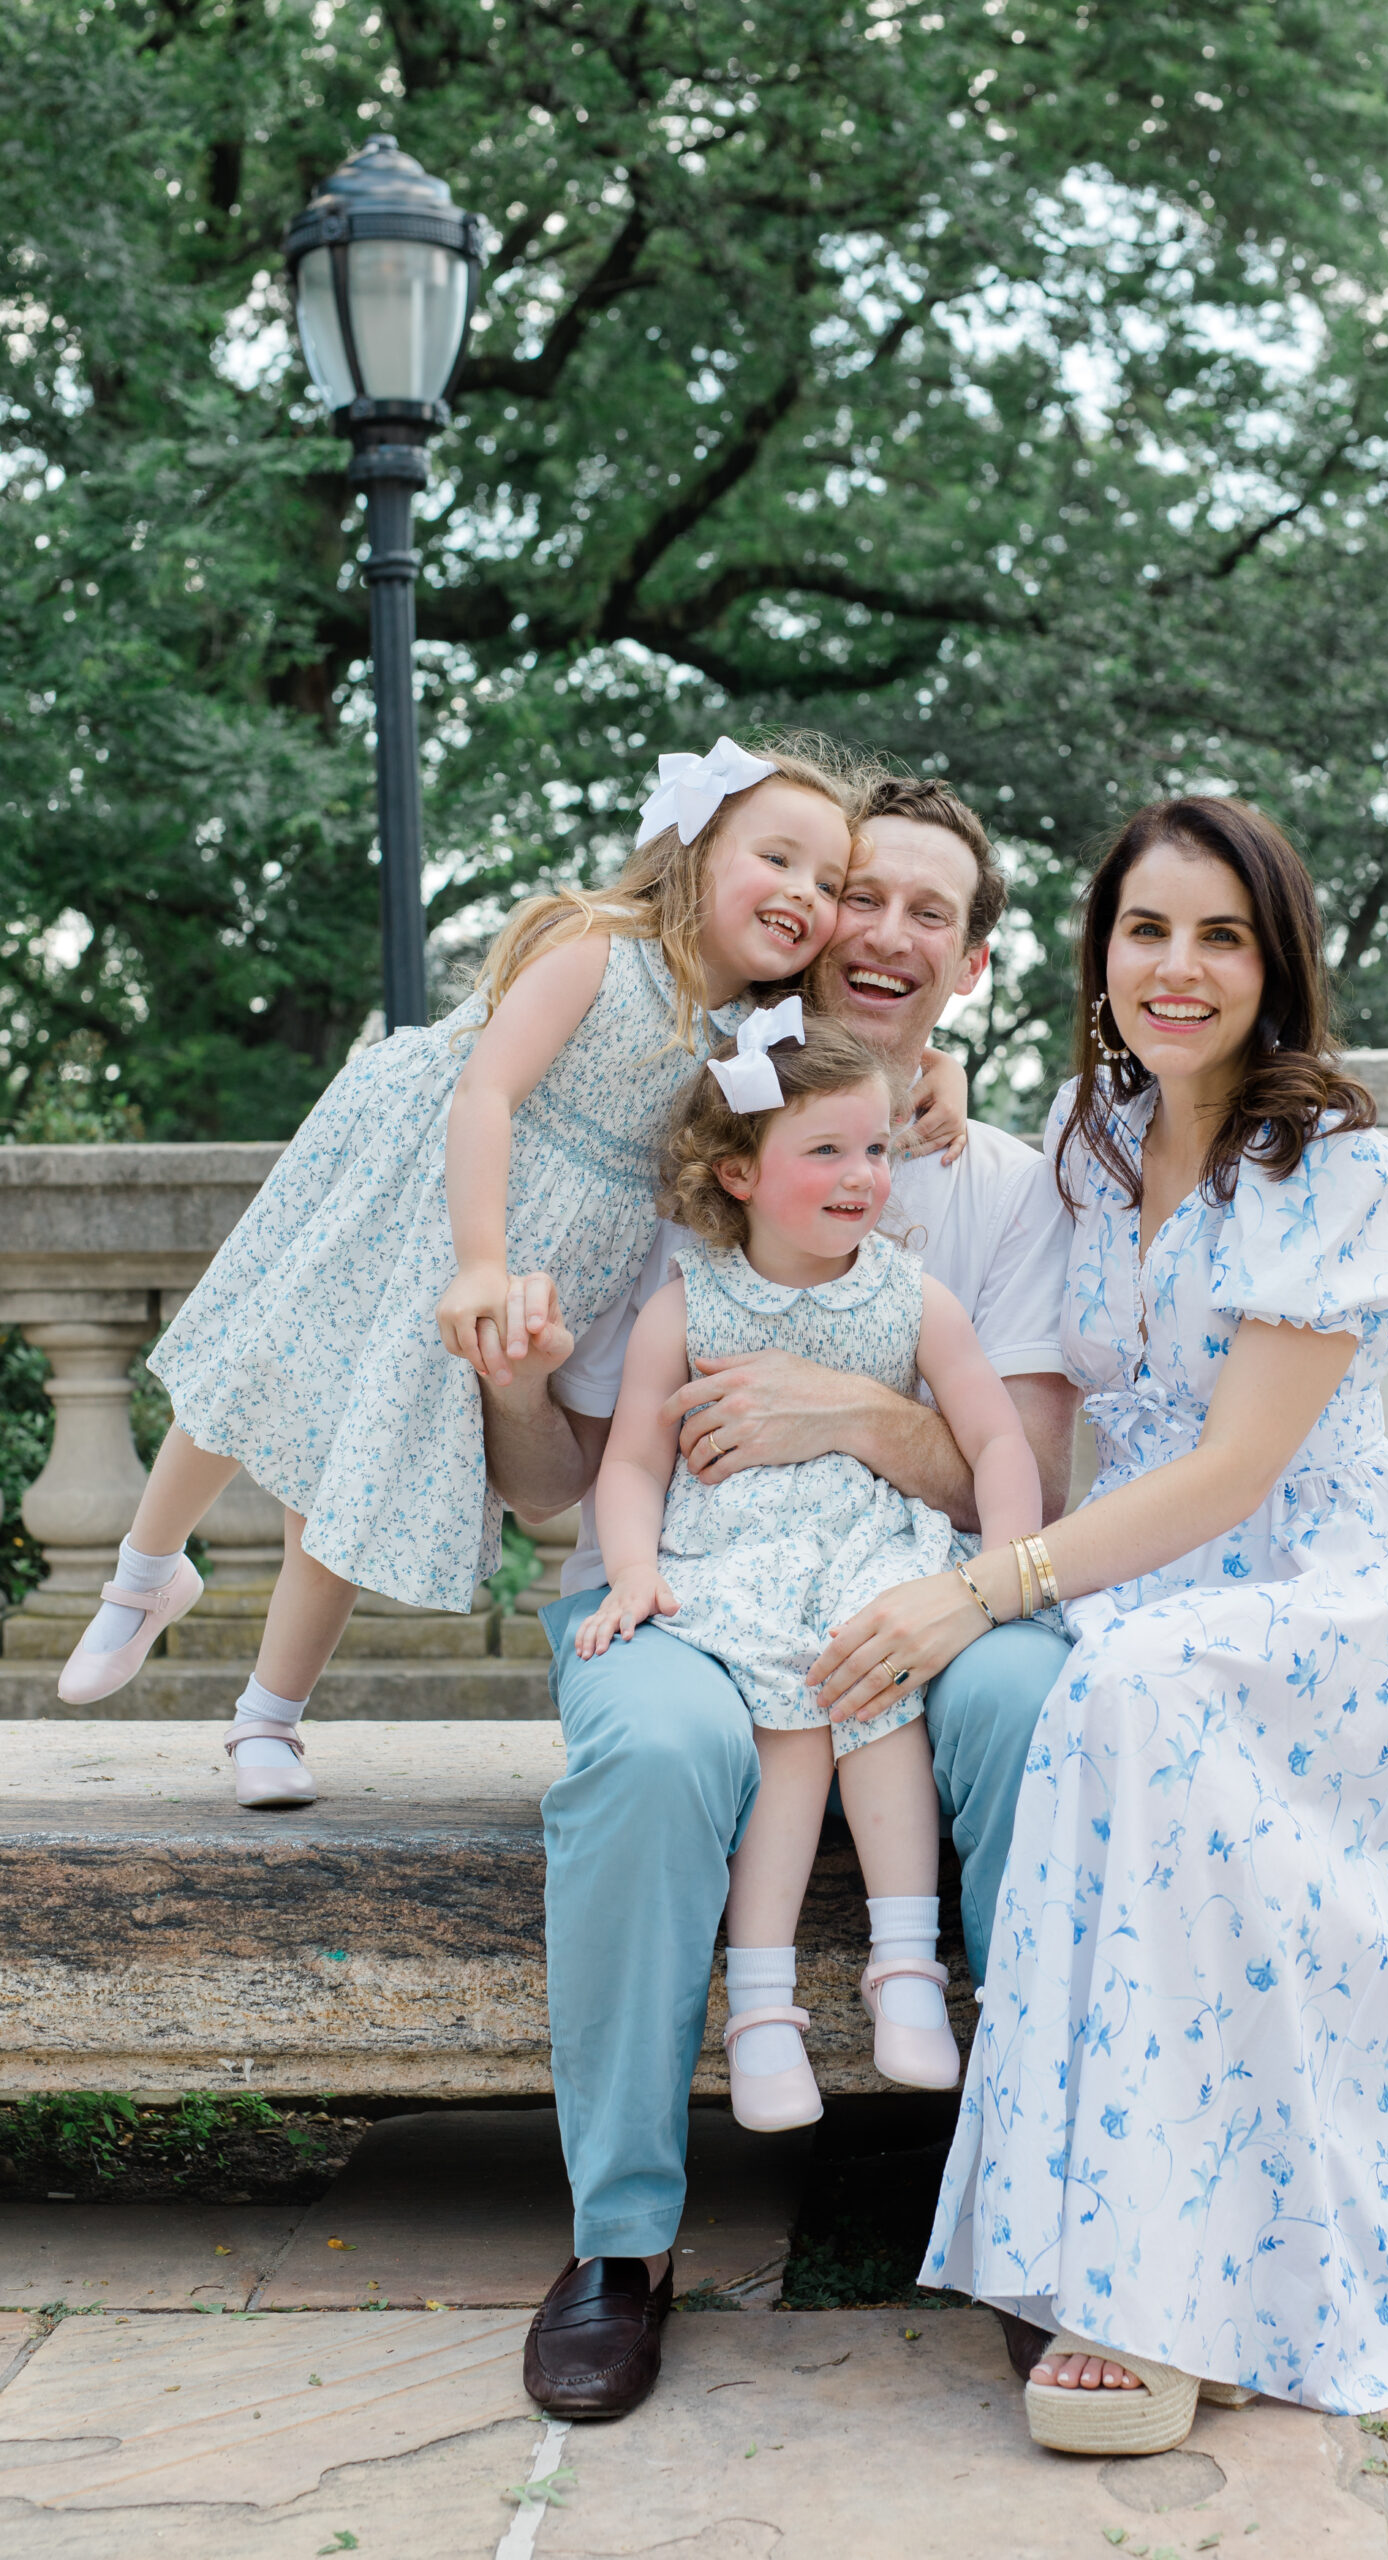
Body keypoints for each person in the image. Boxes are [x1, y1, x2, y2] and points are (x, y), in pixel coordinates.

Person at [812, 795, 1388, 2452]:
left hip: (1331, 1587)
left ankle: (1166, 2298)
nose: (1178, 965)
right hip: (1144, 1570)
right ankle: (1142, 2248)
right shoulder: (1087, 1132)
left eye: (1221, 934)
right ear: (1098, 958)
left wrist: (984, 1588)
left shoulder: (1322, 1156)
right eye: (1145, 929)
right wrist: (909, 1090)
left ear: (1275, 960)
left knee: (1127, 1695)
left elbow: (1235, 1471)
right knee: (1100, 1703)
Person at [476, 775, 1078, 2421]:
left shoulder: (995, 1187)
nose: (882, 928)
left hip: (923, 1583)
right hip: (690, 1580)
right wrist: (519, 1380)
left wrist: (852, 1416)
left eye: (930, 914)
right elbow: (562, 1484)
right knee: (657, 1751)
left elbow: (1020, 1469)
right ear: (804, 920)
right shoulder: (681, 1148)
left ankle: (1047, 2218)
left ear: (964, 966)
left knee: (1036, 1702)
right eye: (858, 892)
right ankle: (623, 2238)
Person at [55, 737, 941, 1808]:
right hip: (427, 1193)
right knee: (265, 1373)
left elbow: (855, 1078)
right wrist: (479, 1260)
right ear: (695, 850)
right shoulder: (597, 947)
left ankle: (267, 1719)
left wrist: (944, 1070)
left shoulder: (755, 1034)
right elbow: (485, 1095)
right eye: (778, 858)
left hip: (553, 1249)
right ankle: (147, 1568)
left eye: (827, 882)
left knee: (366, 1465)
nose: (804, 893)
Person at [578, 1010, 1043, 2130]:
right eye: (825, 1151)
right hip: (735, 1561)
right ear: (736, 1171)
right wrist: (633, 1569)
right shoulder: (684, 1305)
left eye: (875, 1149)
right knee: (783, 1735)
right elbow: (633, 1460)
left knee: (873, 1694)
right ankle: (762, 2007)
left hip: (872, 1558)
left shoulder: (910, 1295)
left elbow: (997, 1441)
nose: (861, 1176)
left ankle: (903, 1972)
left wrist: (1007, 1572)